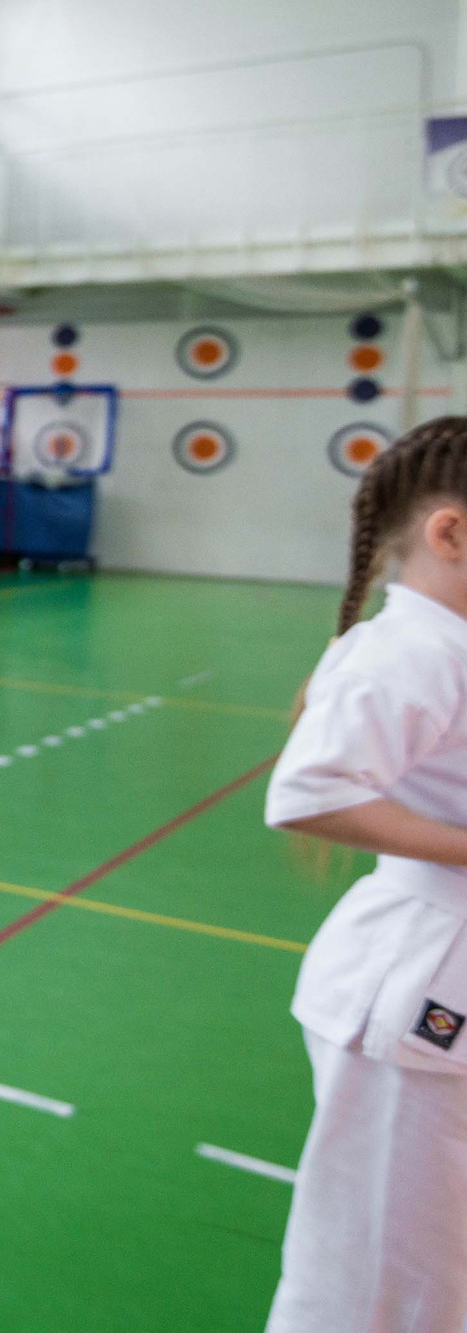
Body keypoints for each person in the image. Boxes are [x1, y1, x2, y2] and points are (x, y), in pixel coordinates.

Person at [264, 416, 467, 1332]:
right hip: (418, 992)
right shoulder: (409, 649)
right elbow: (308, 793)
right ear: (451, 533)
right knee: (376, 1285)